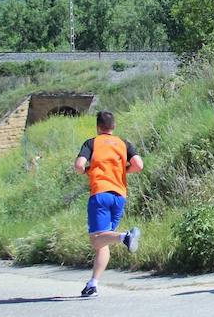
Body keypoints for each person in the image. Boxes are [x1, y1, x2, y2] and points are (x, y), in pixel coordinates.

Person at [74, 111, 144, 297]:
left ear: (98, 127)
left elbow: (79, 165)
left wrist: (87, 171)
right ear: (114, 127)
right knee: (103, 241)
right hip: (119, 195)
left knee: (96, 240)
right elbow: (138, 165)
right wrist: (122, 171)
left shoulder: (92, 143)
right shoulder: (123, 143)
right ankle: (92, 284)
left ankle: (125, 237)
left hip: (100, 193)